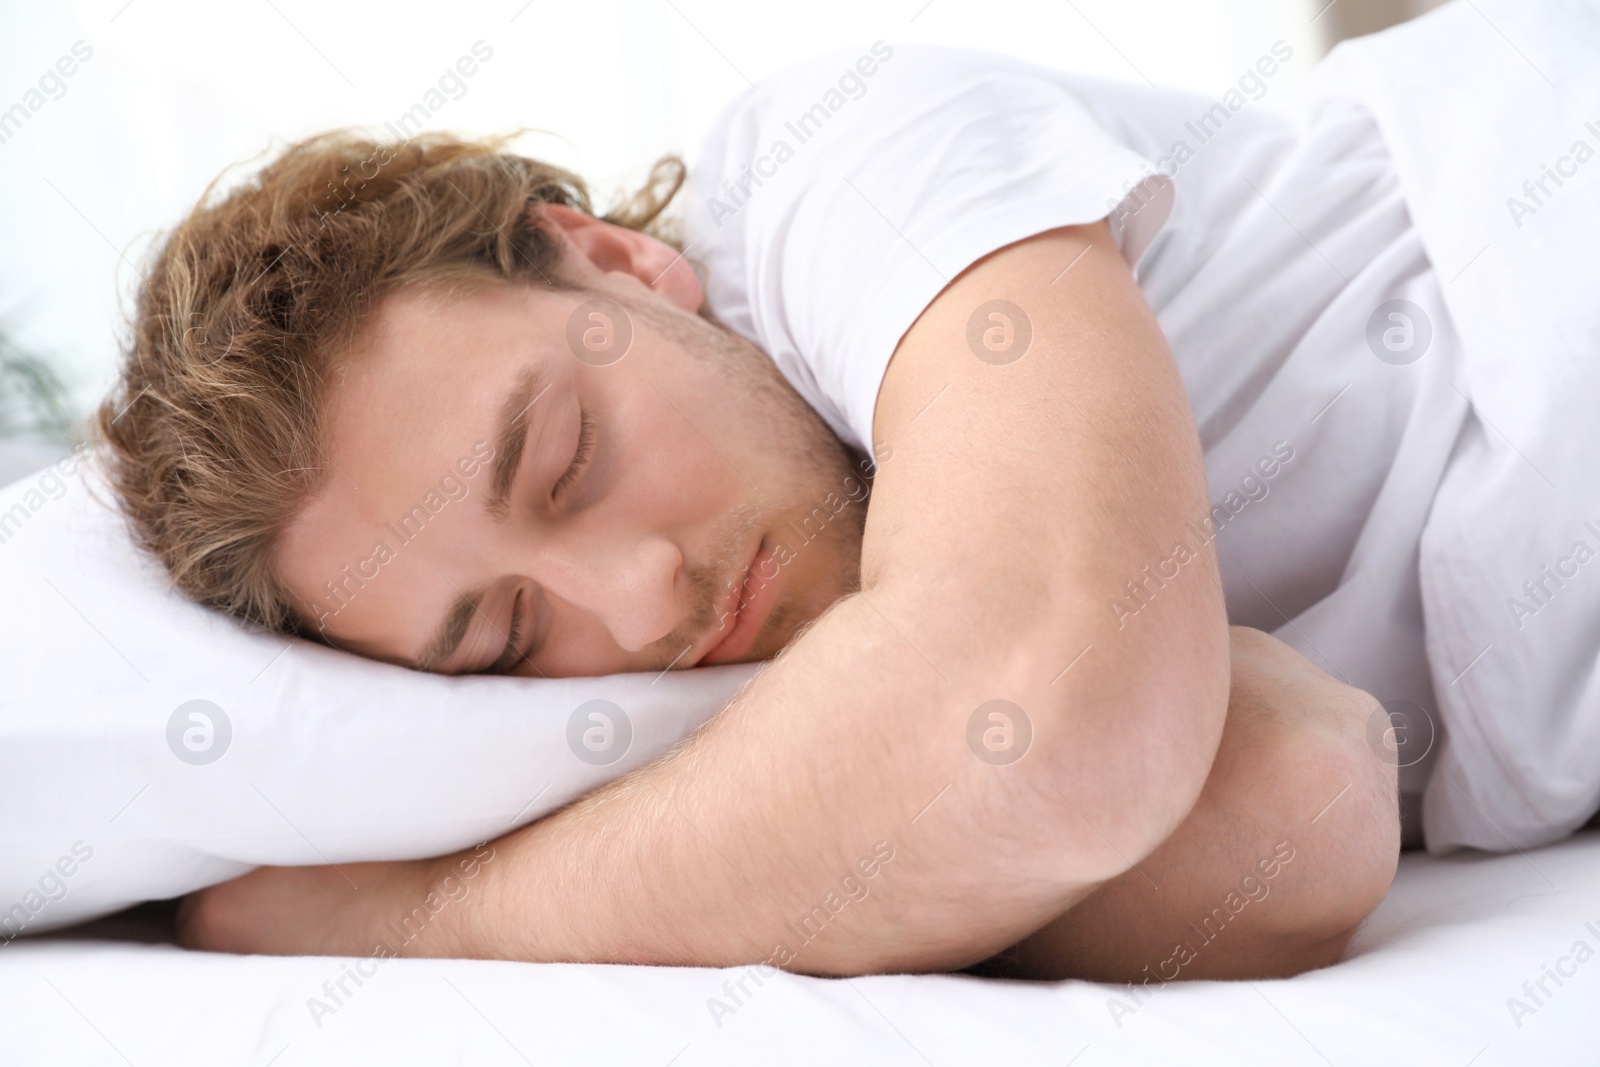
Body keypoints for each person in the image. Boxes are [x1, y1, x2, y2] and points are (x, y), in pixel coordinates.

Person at [99, 35, 1523, 980]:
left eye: (566, 458)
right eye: (509, 640)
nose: (644, 599)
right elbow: (1287, 806)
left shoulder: (839, 164)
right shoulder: (773, 761)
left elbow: (1052, 723)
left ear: (609, 263)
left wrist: (428, 920)